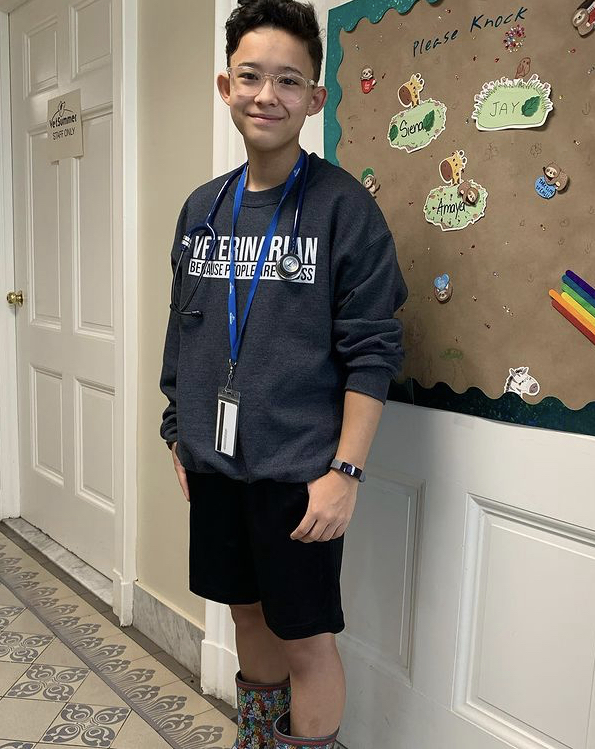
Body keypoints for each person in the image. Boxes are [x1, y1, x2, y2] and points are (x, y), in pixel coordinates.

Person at [158, 1, 408, 747]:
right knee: (244, 613)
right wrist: (177, 430)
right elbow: (185, 327)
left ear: (315, 99)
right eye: (250, 76)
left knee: (305, 639)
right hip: (214, 465)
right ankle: (257, 738)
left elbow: (372, 350)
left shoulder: (343, 209)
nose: (266, 95)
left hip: (299, 473)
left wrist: (345, 471)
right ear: (224, 86)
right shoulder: (203, 207)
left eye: (288, 81)